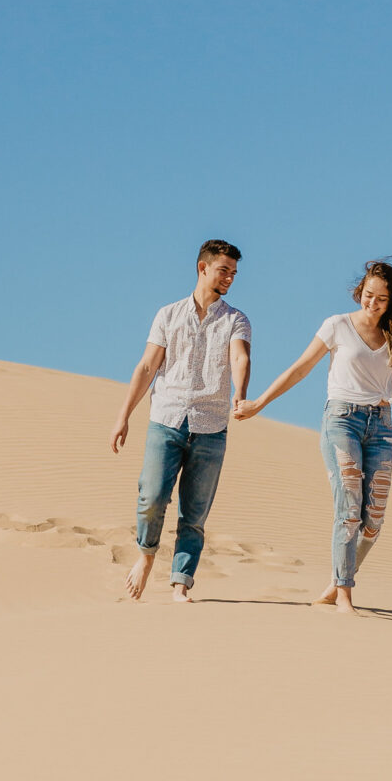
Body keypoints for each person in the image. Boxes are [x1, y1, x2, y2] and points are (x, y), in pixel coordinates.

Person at [235, 261, 392, 610]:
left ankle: (337, 581)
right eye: (368, 295)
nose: (373, 303)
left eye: (382, 298)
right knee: (349, 507)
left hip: (381, 428)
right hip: (342, 421)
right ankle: (345, 594)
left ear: (391, 300)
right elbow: (301, 367)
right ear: (359, 292)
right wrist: (259, 403)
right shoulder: (337, 325)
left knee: (374, 519)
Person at [110, 239, 250, 602]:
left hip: (211, 425)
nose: (230, 278)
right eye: (224, 270)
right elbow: (146, 366)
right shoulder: (168, 315)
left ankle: (180, 583)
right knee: (152, 497)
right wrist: (123, 416)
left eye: (234, 273)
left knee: (195, 513)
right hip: (167, 419)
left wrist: (241, 391)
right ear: (202, 268)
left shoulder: (236, 320)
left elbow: (240, 358)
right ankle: (146, 556)